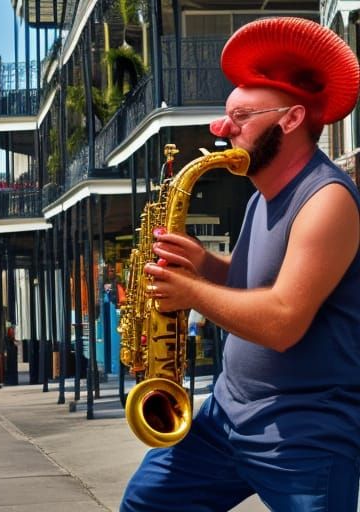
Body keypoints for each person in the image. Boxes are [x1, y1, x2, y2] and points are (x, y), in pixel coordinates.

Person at [121, 17, 360, 512]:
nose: (221, 128)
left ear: (291, 119)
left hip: (303, 432)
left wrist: (190, 292)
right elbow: (257, 280)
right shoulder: (260, 196)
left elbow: (282, 321)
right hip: (225, 417)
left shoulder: (327, 200)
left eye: (240, 117)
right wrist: (206, 264)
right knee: (145, 505)